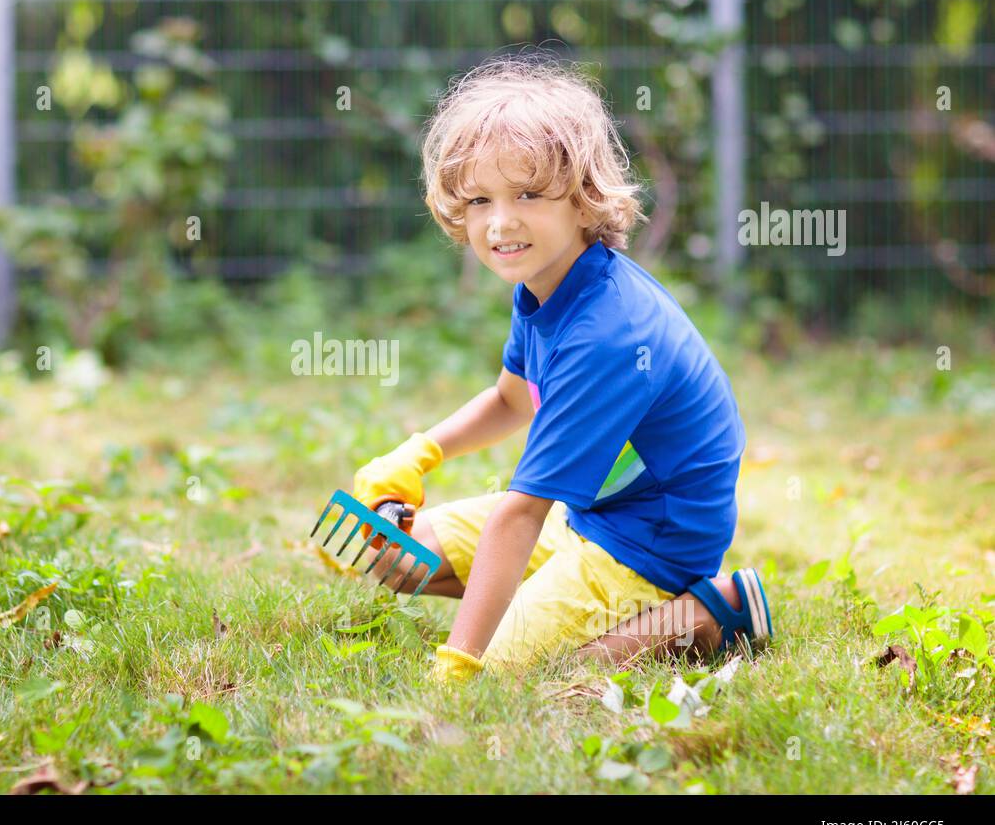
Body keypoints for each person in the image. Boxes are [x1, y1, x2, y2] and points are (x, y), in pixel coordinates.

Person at [316, 56, 771, 683]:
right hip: (591, 517)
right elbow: (510, 400)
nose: (501, 222)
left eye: (528, 194)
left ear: (583, 200)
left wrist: (460, 662)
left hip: (652, 540)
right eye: (480, 199)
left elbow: (522, 513)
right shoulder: (543, 286)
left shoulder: (607, 335)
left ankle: (708, 614)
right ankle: (540, 608)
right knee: (401, 556)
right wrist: (416, 455)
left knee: (512, 674)